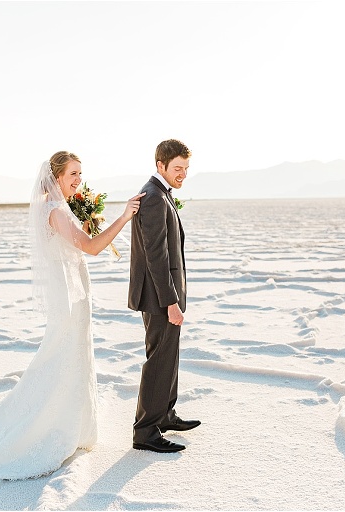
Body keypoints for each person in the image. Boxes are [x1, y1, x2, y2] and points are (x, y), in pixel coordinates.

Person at [0, 151, 144, 482]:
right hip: (69, 298)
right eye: (73, 174)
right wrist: (124, 217)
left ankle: (72, 425)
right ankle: (50, 428)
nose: (79, 180)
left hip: (74, 293)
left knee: (72, 355)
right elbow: (91, 248)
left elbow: (76, 245)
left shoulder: (58, 206)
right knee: (62, 356)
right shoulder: (56, 211)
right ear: (56, 177)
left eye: (80, 174)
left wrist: (87, 219)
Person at [128, 139, 200, 453]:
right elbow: (156, 256)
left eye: (186, 168)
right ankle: (145, 431)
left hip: (166, 293)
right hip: (159, 296)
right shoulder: (154, 197)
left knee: (169, 356)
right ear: (161, 165)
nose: (183, 173)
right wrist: (170, 302)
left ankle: (165, 415)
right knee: (158, 360)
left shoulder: (161, 193)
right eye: (177, 168)